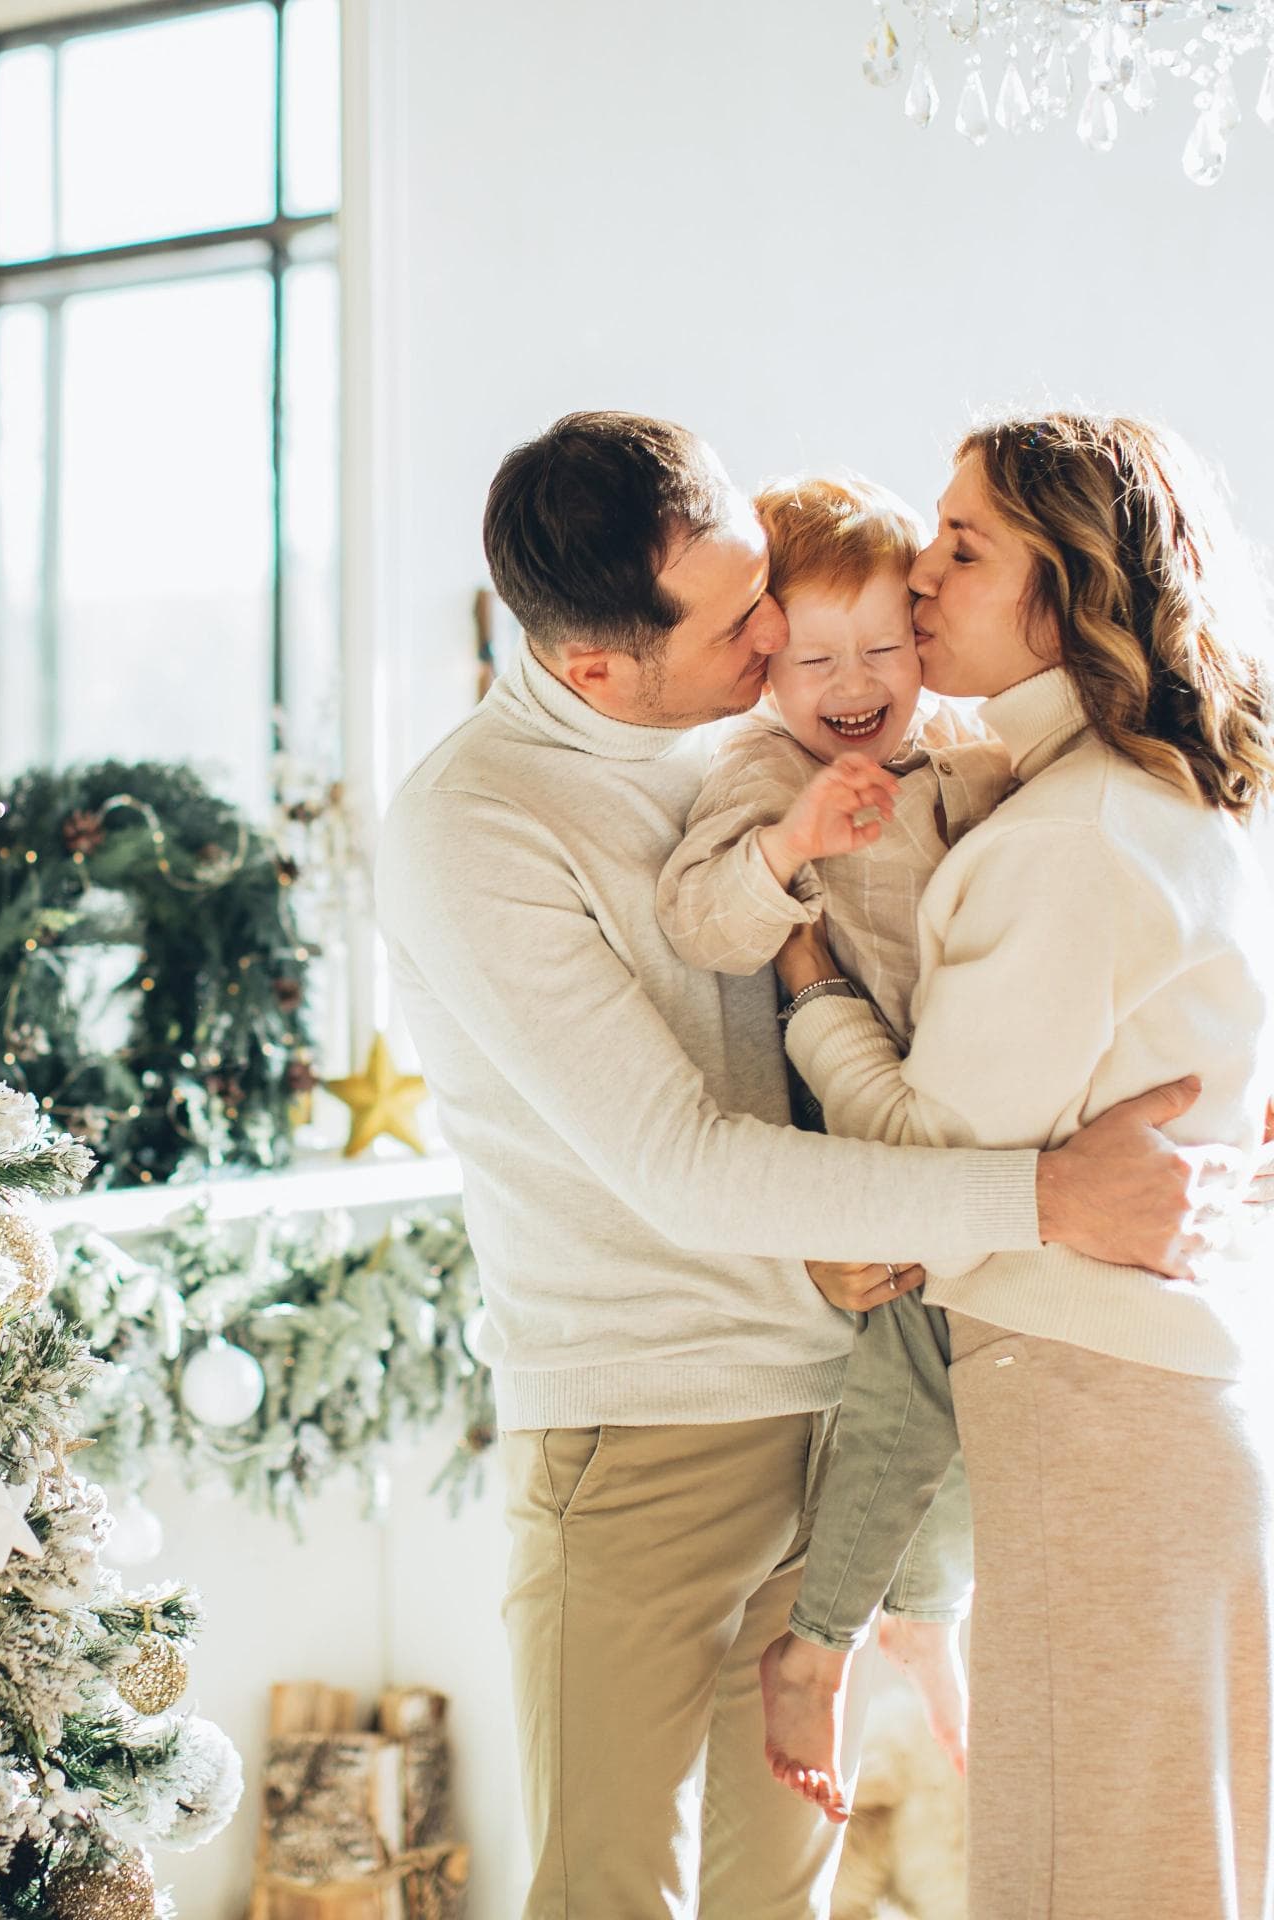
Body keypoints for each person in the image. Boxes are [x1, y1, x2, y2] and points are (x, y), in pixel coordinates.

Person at [373, 411, 1235, 1920]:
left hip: (836, 1385)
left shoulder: (759, 735)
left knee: (786, 1900)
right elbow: (683, 1164)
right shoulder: (476, 822)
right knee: (609, 1896)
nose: (784, 631)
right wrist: (1042, 1194)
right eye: (736, 620)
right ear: (595, 669)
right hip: (647, 1427)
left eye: (760, 581)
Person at [773, 412, 1274, 1916]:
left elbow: (932, 1162)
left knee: (1090, 1881)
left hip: (1091, 1411)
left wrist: (808, 992)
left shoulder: (1078, 835)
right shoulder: (1121, 799)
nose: (920, 573)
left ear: (1069, 587)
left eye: (965, 543)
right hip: (1144, 1412)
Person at [655, 472, 1010, 1791]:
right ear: (765, 665)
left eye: (882, 648)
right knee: (917, 1376)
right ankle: (829, 1638)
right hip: (859, 1123)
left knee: (972, 1377)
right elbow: (699, 925)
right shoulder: (760, 767)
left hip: (951, 1107)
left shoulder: (958, 743)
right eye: (813, 657)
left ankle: (919, 1613)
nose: (854, 682)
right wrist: (791, 846)